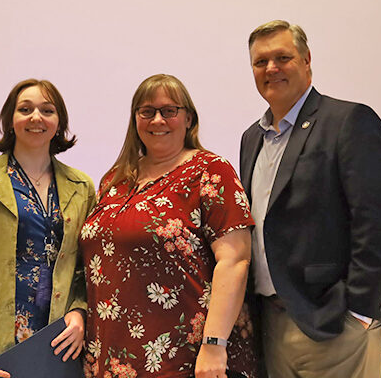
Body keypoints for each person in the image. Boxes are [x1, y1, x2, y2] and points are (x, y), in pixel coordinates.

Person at [240, 20, 381, 378]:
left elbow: (376, 221)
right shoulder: (253, 137)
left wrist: (359, 311)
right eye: (260, 62)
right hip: (272, 322)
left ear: (307, 60)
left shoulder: (348, 121)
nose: (271, 68)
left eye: (283, 57)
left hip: (333, 323)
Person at [80, 74, 259, 378]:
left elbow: (235, 260)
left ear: (188, 118)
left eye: (169, 111)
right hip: (112, 356)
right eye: (147, 111)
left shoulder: (211, 171)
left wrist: (214, 343)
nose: (157, 120)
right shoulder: (115, 180)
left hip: (187, 358)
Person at [0, 79, 96, 378]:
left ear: (59, 122)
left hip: (57, 344)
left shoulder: (82, 187)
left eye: (47, 110)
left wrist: (80, 312)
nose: (36, 117)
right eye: (25, 109)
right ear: (10, 120)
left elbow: (85, 268)